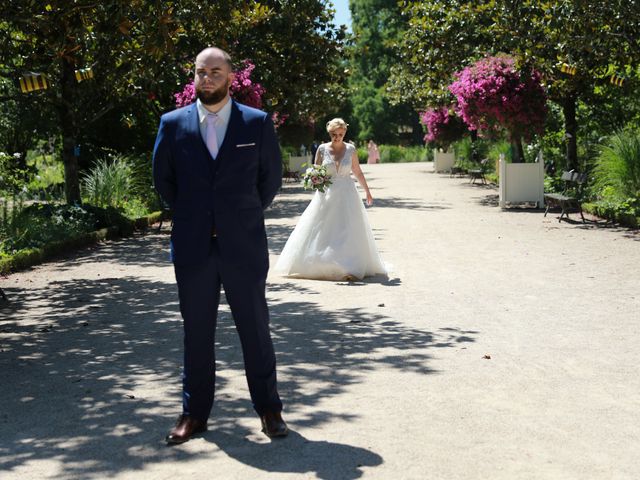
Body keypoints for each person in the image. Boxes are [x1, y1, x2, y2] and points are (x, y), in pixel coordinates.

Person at [153, 47, 287, 444]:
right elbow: (164, 180)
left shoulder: (256, 124)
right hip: (194, 248)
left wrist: (238, 215)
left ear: (230, 77)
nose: (207, 78)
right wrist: (196, 215)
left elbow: (271, 179)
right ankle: (194, 414)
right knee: (196, 332)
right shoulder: (172, 124)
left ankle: (269, 408)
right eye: (200, 72)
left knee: (255, 329)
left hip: (243, 246)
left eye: (215, 72)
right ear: (193, 77)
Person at [274, 118, 386, 281]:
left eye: (340, 134)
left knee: (348, 229)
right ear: (329, 133)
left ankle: (350, 267)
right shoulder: (321, 149)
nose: (337, 137)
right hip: (327, 194)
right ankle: (321, 263)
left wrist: (367, 191)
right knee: (324, 228)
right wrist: (314, 179)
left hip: (348, 194)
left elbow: (357, 171)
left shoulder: (351, 149)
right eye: (334, 134)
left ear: (344, 133)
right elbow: (316, 171)